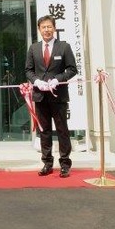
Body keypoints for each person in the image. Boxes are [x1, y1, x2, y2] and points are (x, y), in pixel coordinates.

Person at [25, 14, 78, 178]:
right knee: (44, 131)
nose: (46, 30)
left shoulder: (64, 47)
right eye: (43, 27)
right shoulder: (33, 48)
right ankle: (47, 163)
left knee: (62, 130)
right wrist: (36, 81)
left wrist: (58, 79)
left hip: (58, 96)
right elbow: (28, 70)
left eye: (49, 26)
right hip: (40, 96)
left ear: (54, 28)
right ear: (39, 29)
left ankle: (65, 164)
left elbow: (72, 69)